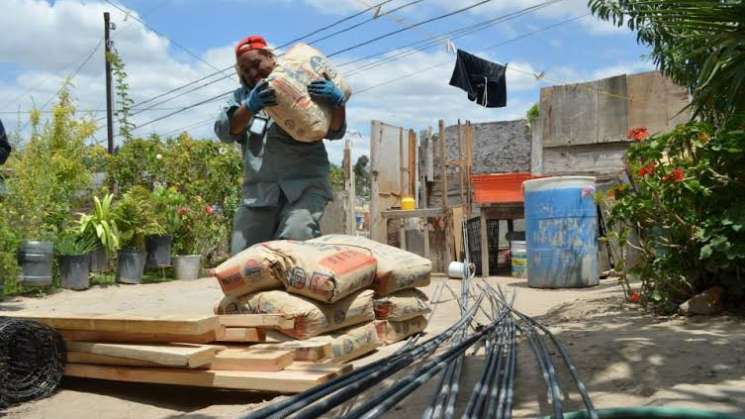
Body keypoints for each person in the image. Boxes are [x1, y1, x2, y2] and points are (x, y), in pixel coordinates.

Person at [214, 35, 348, 255]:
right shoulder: (241, 98)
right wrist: (250, 106)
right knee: (243, 258)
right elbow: (224, 132)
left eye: (256, 64)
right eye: (244, 70)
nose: (252, 73)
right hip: (259, 195)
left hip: (305, 190)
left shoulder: (303, 84)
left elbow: (334, 132)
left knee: (296, 239)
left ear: (270, 57)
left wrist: (337, 103)